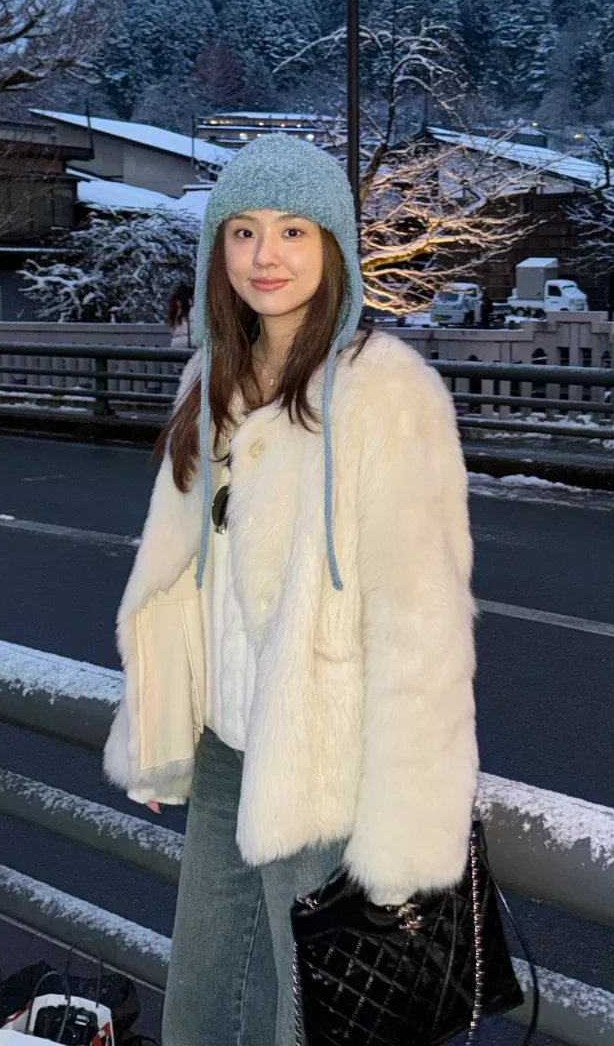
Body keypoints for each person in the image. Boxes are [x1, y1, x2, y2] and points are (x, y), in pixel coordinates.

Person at [104, 134, 478, 1046]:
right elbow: (179, 580)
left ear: (334, 246)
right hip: (224, 753)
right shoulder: (212, 381)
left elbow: (424, 628)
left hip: (328, 772)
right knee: (204, 1007)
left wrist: (405, 838)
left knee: (310, 1023)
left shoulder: (385, 395)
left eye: (293, 231)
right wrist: (156, 728)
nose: (264, 256)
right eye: (242, 231)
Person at [166, 281, 194, 350]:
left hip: (176, 346)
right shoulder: (194, 312)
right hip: (192, 344)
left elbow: (172, 329)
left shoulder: (174, 311)